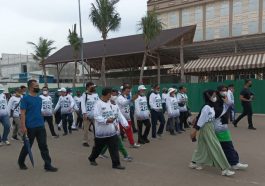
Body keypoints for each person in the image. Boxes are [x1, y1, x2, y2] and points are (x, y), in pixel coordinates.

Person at [189, 90, 235, 176]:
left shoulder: (211, 106)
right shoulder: (206, 107)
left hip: (209, 127)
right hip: (206, 128)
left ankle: (194, 162)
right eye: (213, 96)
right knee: (216, 147)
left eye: (215, 95)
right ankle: (224, 169)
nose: (215, 97)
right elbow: (201, 120)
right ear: (208, 97)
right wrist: (194, 131)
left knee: (202, 146)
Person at [18, 79, 58, 172]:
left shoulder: (39, 99)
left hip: (40, 126)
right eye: (35, 86)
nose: (37, 87)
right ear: (30, 87)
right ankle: (21, 162)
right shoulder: (25, 99)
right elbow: (22, 113)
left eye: (37, 85)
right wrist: (23, 127)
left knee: (43, 146)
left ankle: (47, 165)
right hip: (30, 127)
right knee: (27, 146)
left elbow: (38, 111)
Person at [88, 87, 125, 170]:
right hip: (101, 132)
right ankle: (92, 158)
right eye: (111, 94)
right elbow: (96, 116)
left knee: (114, 147)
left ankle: (116, 164)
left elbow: (112, 112)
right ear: (108, 94)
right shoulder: (98, 104)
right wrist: (106, 120)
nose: (111, 95)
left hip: (111, 131)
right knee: (98, 148)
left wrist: (114, 122)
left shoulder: (109, 102)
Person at [213, 85, 248, 170]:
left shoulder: (224, 98)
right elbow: (216, 113)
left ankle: (196, 161)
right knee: (228, 145)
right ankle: (234, 163)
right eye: (223, 90)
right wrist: (226, 103)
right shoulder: (216, 100)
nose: (225, 91)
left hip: (222, 125)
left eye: (226, 90)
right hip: (219, 126)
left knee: (215, 145)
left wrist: (227, 102)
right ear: (218, 91)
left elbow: (229, 106)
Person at [99, 89, 133, 162]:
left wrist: (125, 124)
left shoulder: (116, 106)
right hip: (110, 128)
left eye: (115, 95)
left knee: (108, 142)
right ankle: (126, 155)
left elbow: (119, 116)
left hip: (115, 127)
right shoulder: (104, 106)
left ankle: (101, 153)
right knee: (119, 142)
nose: (114, 96)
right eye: (112, 95)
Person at [81, 82, 99, 147]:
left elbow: (98, 104)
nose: (94, 88)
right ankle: (85, 141)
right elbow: (82, 104)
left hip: (95, 115)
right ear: (88, 87)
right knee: (86, 129)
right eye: (92, 87)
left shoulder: (96, 95)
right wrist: (84, 113)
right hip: (87, 115)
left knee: (96, 129)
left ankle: (96, 141)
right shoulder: (84, 95)